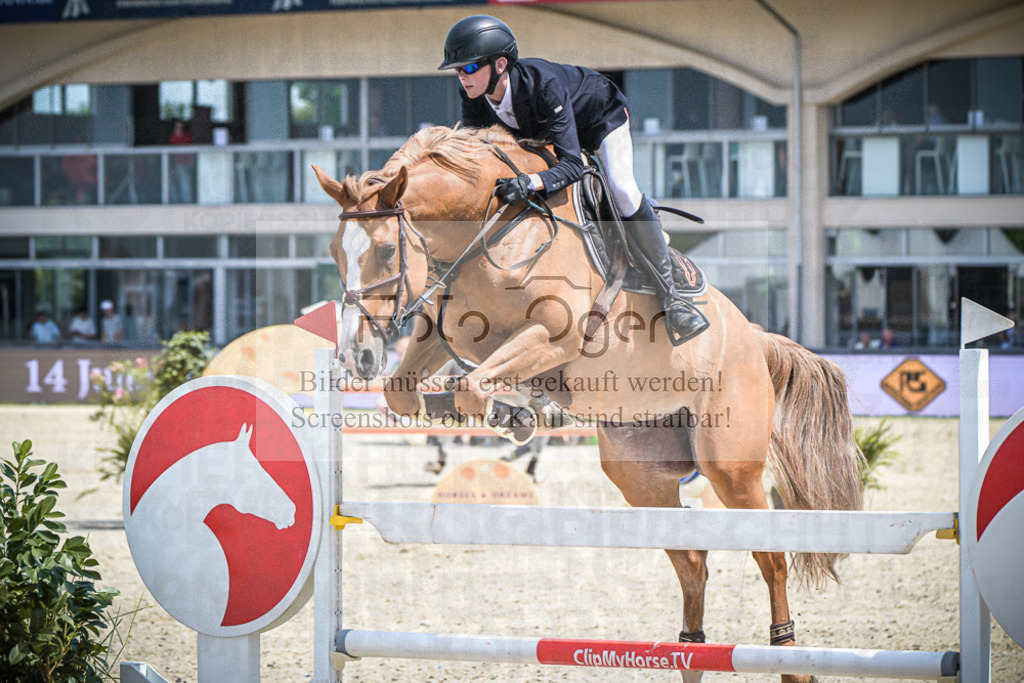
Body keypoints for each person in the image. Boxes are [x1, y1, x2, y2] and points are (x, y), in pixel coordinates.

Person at [438, 15, 708, 345]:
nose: (461, 76)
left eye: (468, 68)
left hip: (599, 119)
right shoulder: (475, 96)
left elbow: (572, 166)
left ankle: (672, 298)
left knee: (621, 189)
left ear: (500, 64)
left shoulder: (543, 86)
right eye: (457, 69)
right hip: (543, 134)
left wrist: (530, 183)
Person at [168, 119, 195, 203]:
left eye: (180, 125)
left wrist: (191, 161)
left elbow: (192, 150)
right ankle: (174, 201)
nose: (179, 127)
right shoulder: (172, 137)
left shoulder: (187, 136)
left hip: (184, 163)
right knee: (172, 184)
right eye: (177, 126)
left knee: (185, 183)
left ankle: (187, 201)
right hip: (173, 164)